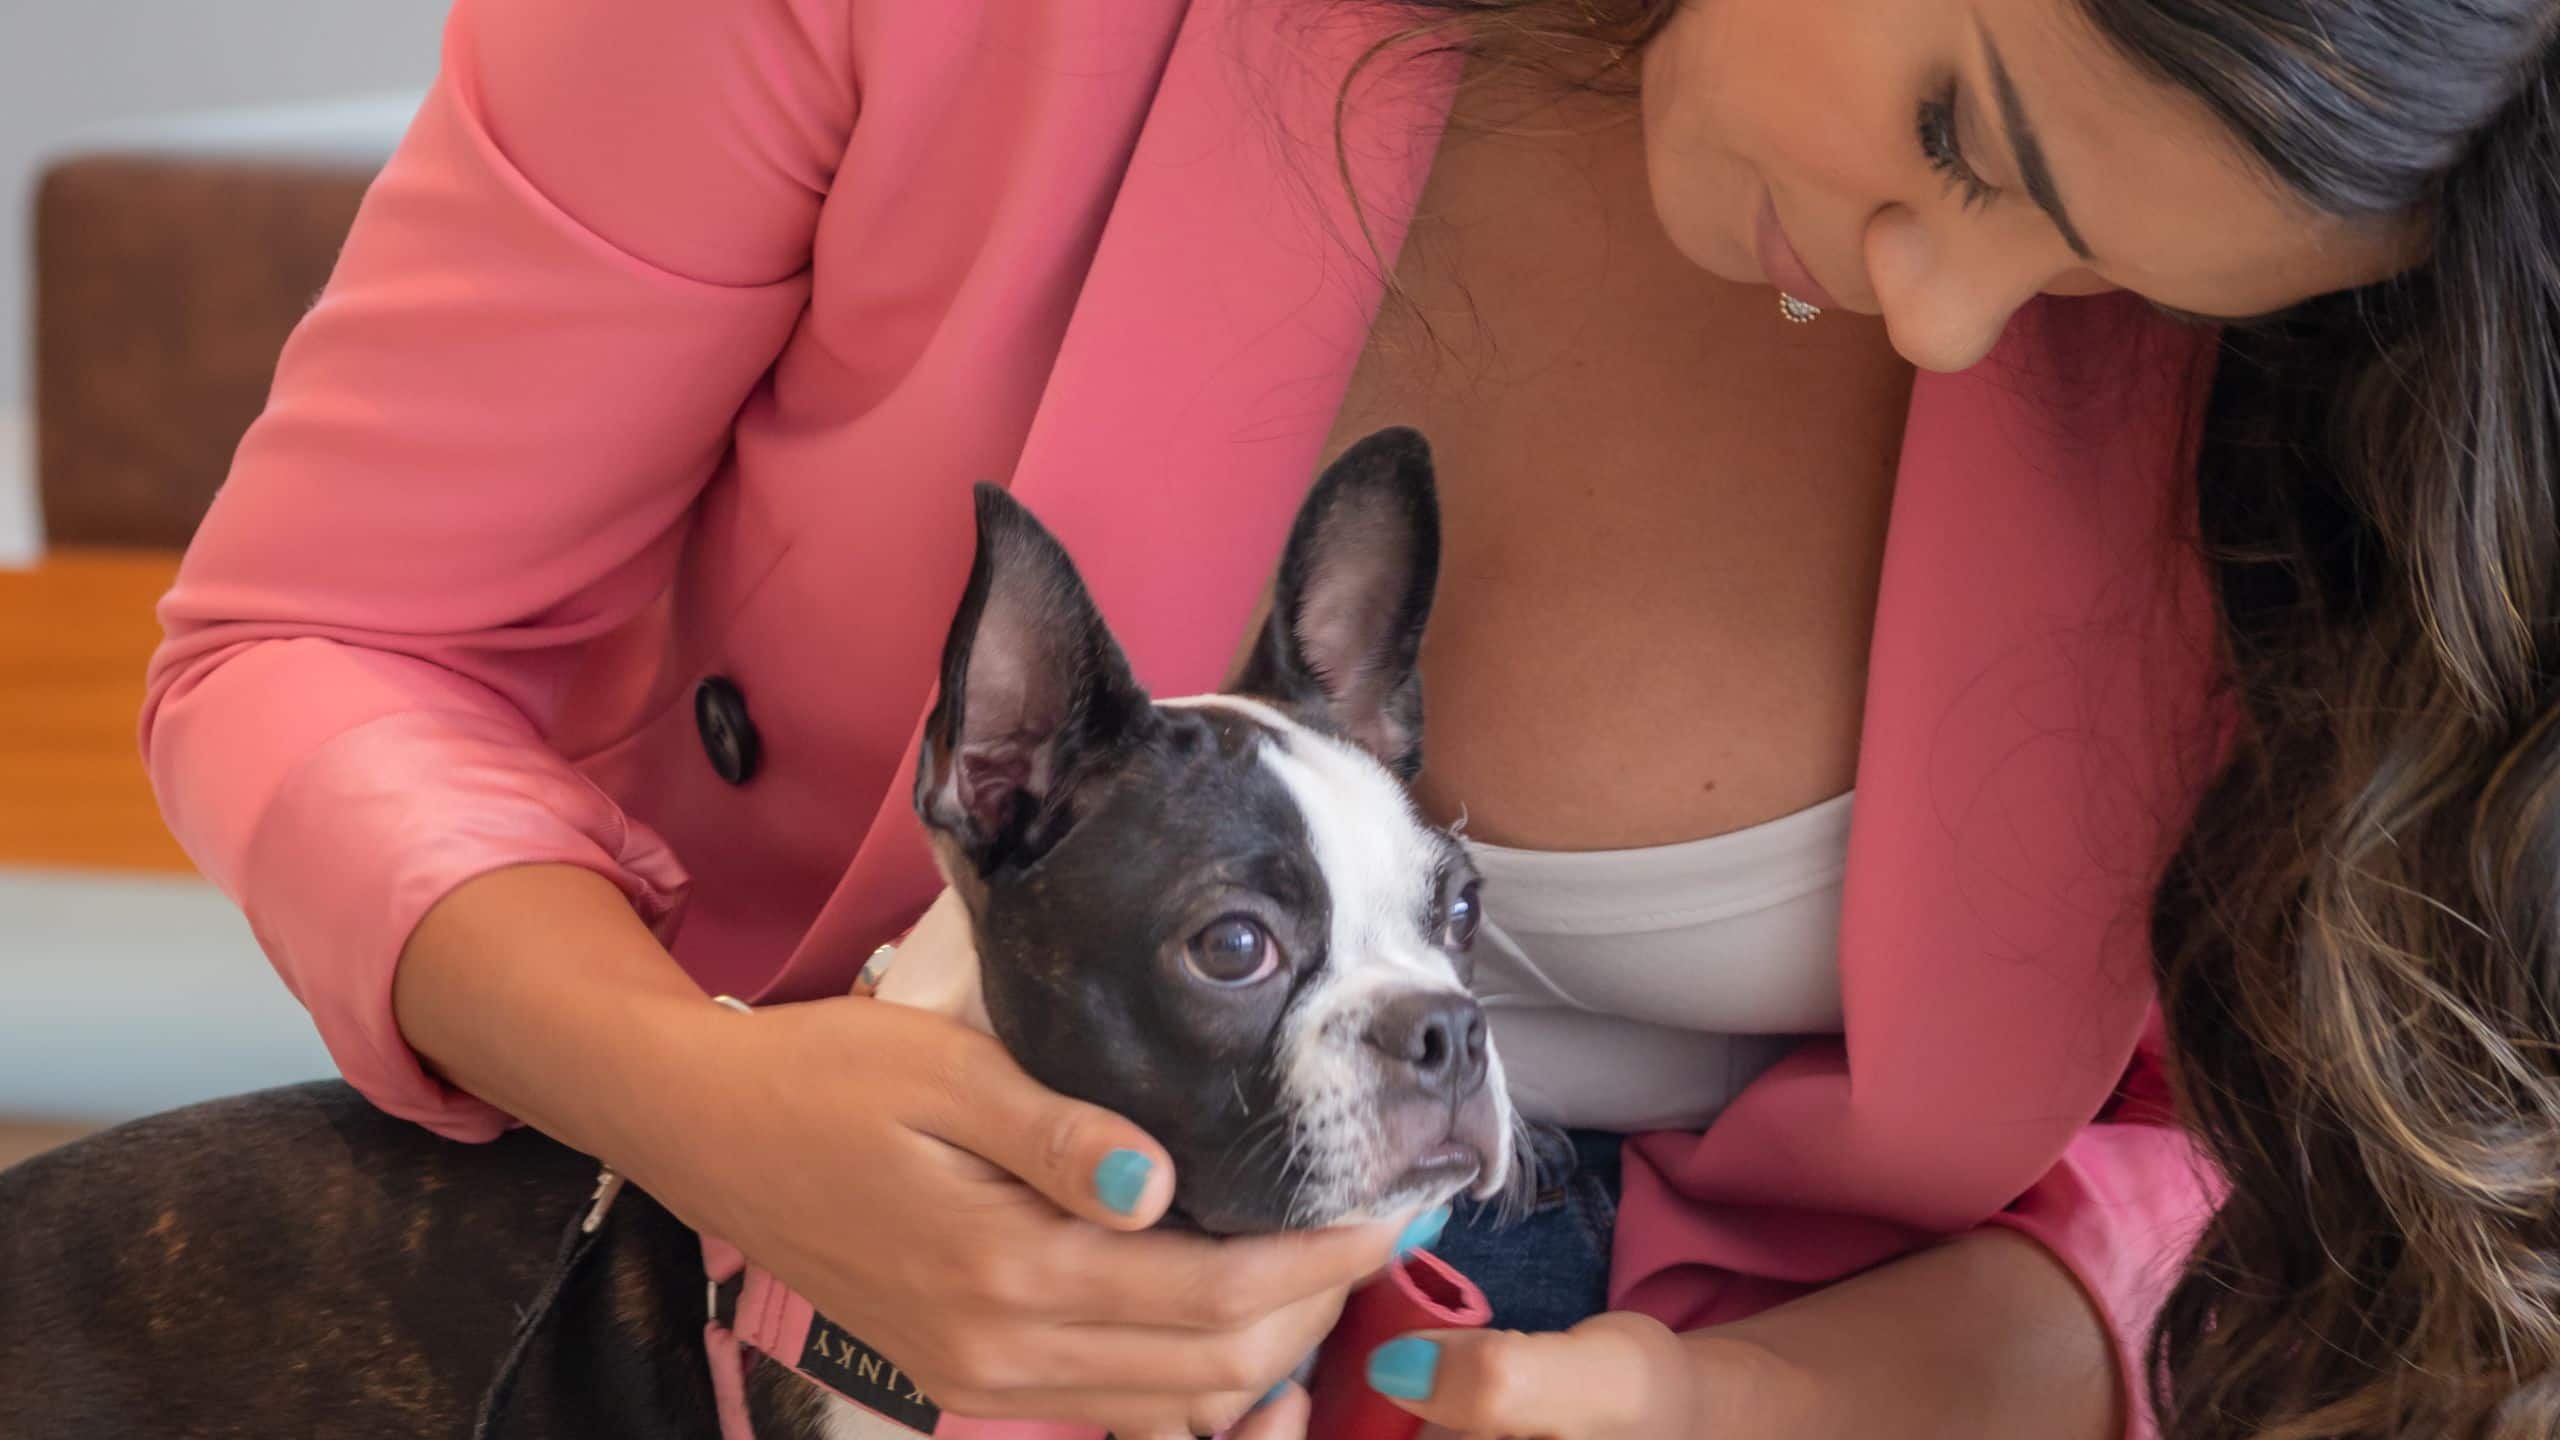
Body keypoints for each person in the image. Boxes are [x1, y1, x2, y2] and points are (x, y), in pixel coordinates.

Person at [139, 0, 2560, 1436]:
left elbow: (2284, 1154)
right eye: (1950, 131)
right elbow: (323, 645)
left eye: (2104, 267)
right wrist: (711, 1112)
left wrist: (1832, 1396)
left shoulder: (2368, 370)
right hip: (774, 1327)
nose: (1947, 319)